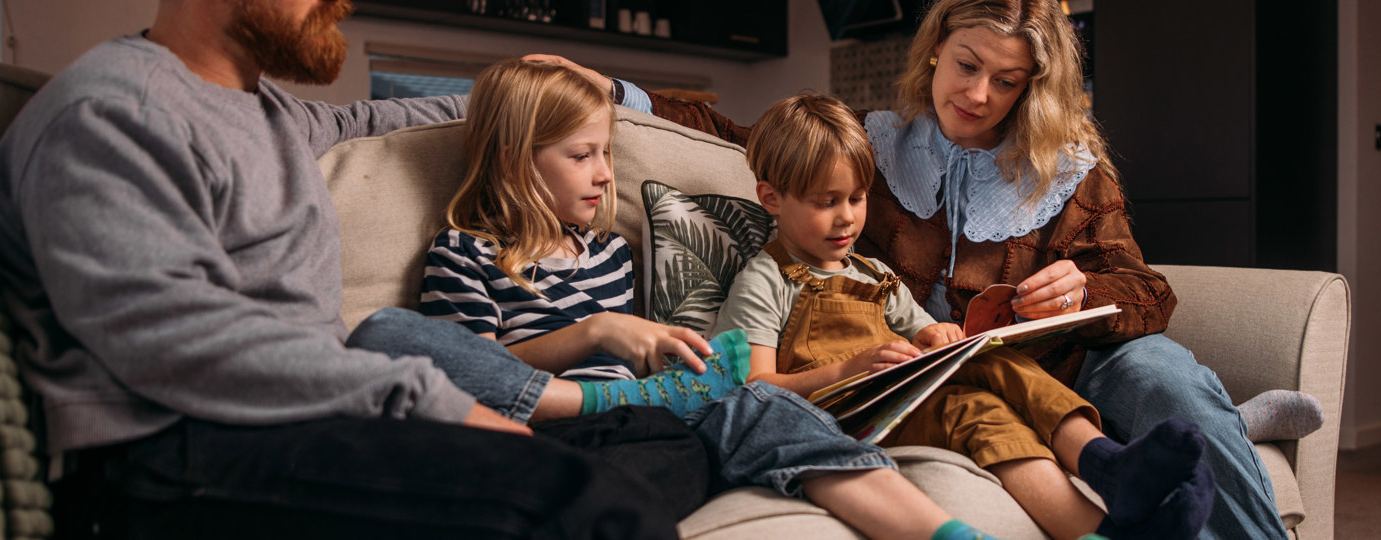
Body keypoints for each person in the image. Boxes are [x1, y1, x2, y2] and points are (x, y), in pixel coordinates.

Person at [527, 0, 1325, 537]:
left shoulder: (1071, 171)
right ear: (936, 47)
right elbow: (740, 133)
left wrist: (1088, 288)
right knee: (1176, 409)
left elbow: (1148, 290)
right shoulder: (873, 145)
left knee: (1167, 379)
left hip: (1064, 369)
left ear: (1032, 87)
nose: (976, 94)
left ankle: (1176, 435)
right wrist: (614, 89)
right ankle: (1230, 421)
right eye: (965, 65)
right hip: (922, 374)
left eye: (1006, 81)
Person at [0, 1, 696, 537]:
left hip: (302, 425)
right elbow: (183, 346)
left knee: (662, 442)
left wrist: (595, 93)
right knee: (592, 503)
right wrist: (447, 408)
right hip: (175, 459)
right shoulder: (114, 113)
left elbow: (412, 118)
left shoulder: (270, 113)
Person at [401, 57, 1008, 540]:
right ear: (514, 164)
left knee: (756, 411)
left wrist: (675, 356)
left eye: (606, 153)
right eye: (582, 156)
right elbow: (474, 378)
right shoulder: (464, 255)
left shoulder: (610, 253)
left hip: (646, 417)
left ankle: (943, 531)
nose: (606, 174)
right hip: (554, 427)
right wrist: (595, 332)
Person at [711, 92, 1215, 539]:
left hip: (901, 394)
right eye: (827, 202)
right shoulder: (767, 278)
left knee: (994, 363)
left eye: (857, 198)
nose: (847, 217)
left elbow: (922, 329)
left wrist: (942, 334)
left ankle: (1105, 465)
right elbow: (754, 389)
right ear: (771, 198)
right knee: (970, 411)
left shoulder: (873, 272)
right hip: (846, 416)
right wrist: (849, 370)